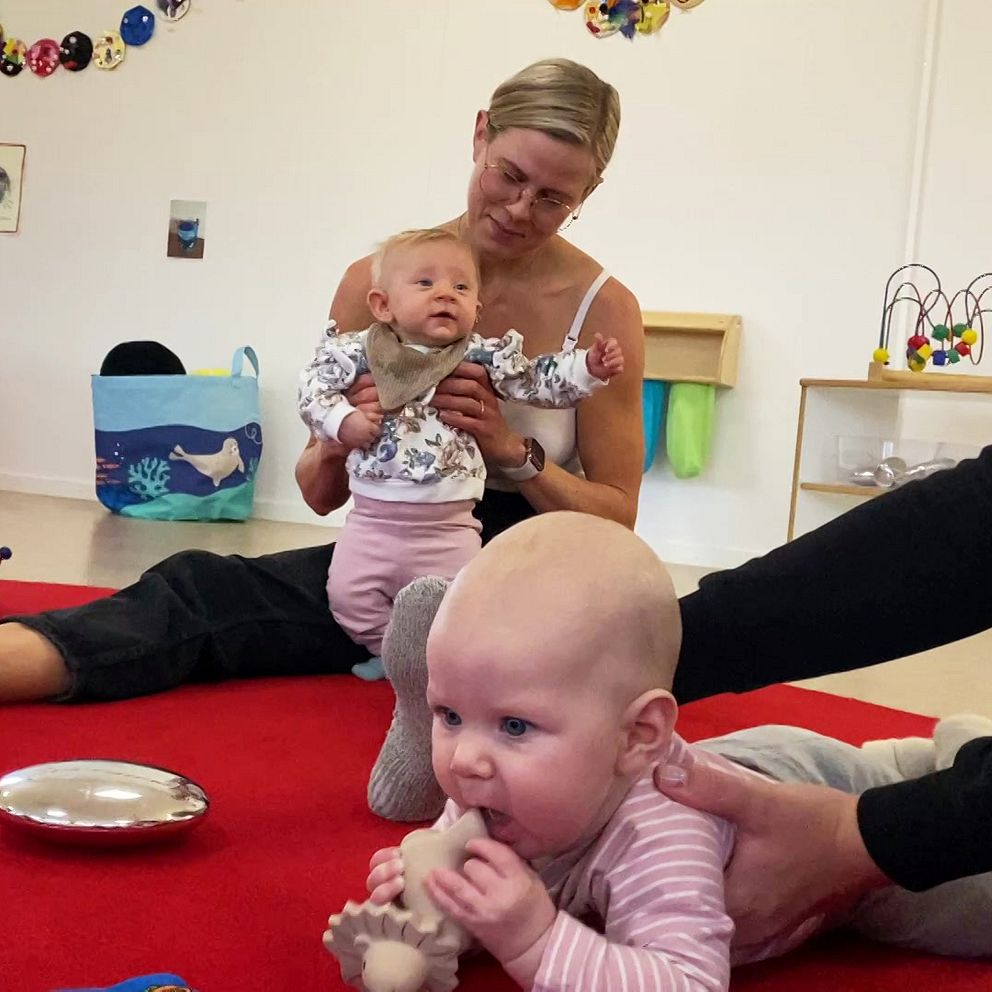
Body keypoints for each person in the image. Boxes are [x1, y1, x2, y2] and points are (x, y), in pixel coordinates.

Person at [0, 58, 645, 703]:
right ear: (480, 134)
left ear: (586, 195)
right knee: (203, 588)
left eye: (554, 199)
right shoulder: (377, 283)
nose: (520, 209)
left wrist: (511, 451)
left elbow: (617, 517)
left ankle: (440, 661)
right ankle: (22, 660)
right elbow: (317, 494)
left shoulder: (603, 308)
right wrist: (342, 434)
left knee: (564, 643)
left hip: (524, 562)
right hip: (388, 537)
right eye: (509, 175)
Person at [364, 514, 992, 992]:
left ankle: (944, 753)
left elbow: (688, 980)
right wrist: (422, 908)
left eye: (515, 726)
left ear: (638, 734)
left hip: (809, 791)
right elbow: (454, 917)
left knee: (970, 909)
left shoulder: (660, 838)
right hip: (715, 762)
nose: (464, 759)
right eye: (448, 716)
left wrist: (536, 941)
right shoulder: (495, 794)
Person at [298, 227, 621, 679]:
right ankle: (395, 656)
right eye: (425, 283)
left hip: (447, 527)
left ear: (476, 310)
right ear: (383, 305)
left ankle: (433, 665)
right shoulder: (360, 352)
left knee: (459, 608)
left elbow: (535, 380)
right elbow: (313, 389)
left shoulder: (478, 356)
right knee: (349, 599)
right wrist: (341, 421)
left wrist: (586, 367)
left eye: (462, 287)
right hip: (371, 522)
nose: (446, 294)